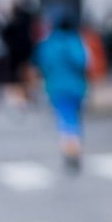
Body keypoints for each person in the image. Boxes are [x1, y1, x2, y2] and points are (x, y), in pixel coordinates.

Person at [35, 10, 89, 171]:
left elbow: (43, 65)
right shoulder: (75, 41)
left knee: (65, 119)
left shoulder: (48, 43)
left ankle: (70, 150)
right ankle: (75, 150)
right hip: (76, 86)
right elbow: (82, 62)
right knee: (74, 119)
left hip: (56, 87)